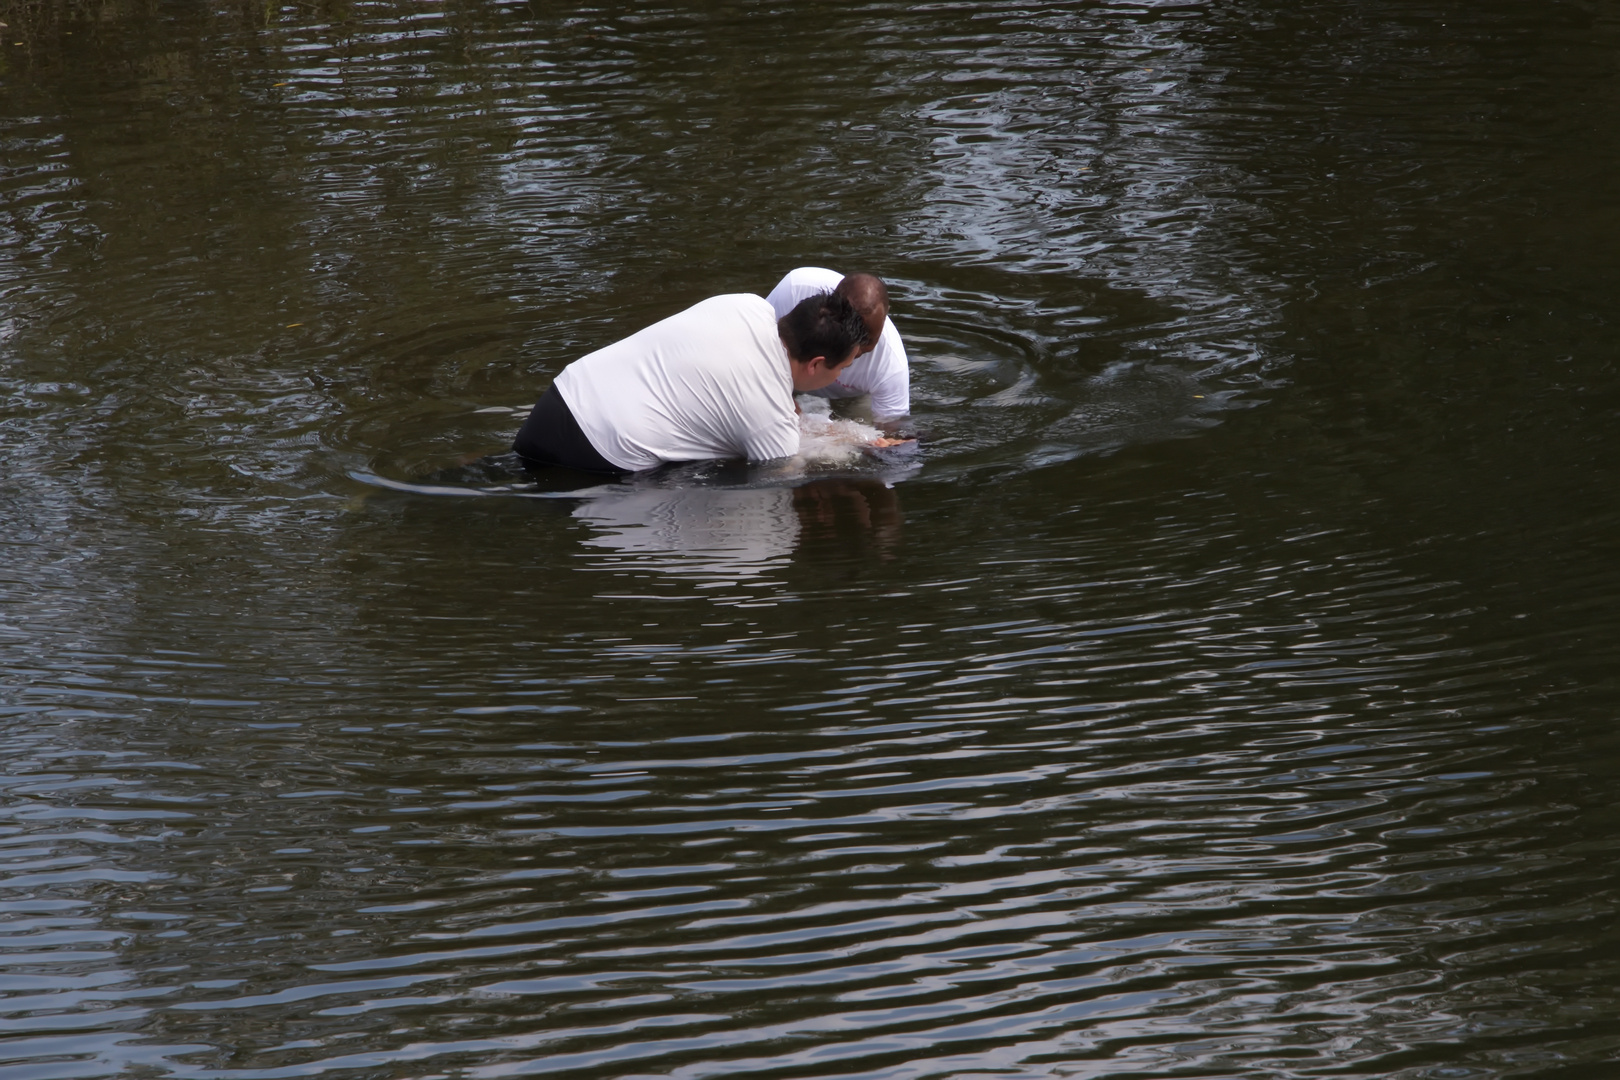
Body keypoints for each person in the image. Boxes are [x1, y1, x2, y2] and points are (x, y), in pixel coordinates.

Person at [513, 291, 868, 474]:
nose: (841, 377)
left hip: (562, 395)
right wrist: (859, 442)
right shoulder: (769, 419)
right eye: (843, 367)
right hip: (598, 452)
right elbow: (781, 468)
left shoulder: (747, 306)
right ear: (817, 364)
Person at [765, 268, 909, 420]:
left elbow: (892, 433)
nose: (856, 351)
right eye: (853, 334)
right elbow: (757, 351)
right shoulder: (794, 290)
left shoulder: (892, 366)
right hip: (783, 378)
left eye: (867, 340)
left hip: (849, 398)